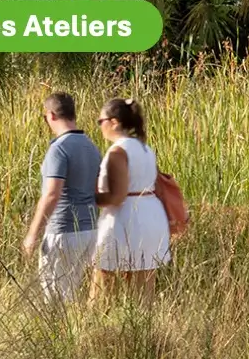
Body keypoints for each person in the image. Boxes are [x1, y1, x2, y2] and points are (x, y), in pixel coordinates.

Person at [20, 91, 101, 305]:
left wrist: (32, 234)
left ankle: (59, 337)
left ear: (51, 115)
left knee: (55, 300)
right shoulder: (91, 147)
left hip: (63, 231)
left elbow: (51, 194)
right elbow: (96, 189)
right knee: (71, 295)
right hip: (89, 230)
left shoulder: (59, 149)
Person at [92, 96, 172, 302]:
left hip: (126, 219)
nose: (100, 126)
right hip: (151, 216)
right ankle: (145, 330)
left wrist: (88, 198)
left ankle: (95, 329)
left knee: (103, 283)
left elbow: (117, 196)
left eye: (101, 121)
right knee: (144, 288)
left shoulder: (118, 151)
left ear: (114, 122)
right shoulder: (145, 149)